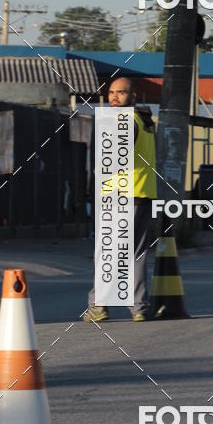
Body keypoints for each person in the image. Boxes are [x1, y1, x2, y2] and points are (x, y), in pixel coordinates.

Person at [85, 77, 157, 322]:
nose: (114, 97)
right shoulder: (146, 121)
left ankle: (98, 305)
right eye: (112, 92)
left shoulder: (122, 122)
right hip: (143, 194)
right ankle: (139, 308)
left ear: (133, 96)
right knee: (136, 253)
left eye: (121, 93)